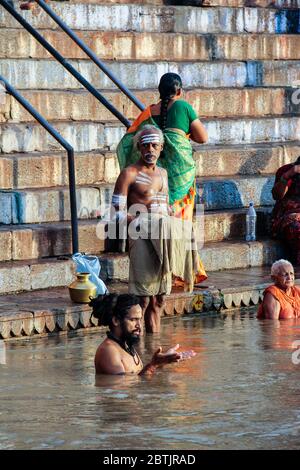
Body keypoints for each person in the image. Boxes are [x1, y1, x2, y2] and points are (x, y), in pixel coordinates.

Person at [110, 125, 205, 333]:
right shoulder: (129, 174)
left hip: (163, 237)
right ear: (139, 148)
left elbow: (166, 206)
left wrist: (173, 220)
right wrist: (137, 222)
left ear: (161, 147)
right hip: (141, 236)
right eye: (145, 145)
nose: (150, 150)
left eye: (154, 145)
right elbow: (117, 211)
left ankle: (154, 343)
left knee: (160, 299)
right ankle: (138, 343)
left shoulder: (163, 173)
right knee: (143, 300)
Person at [117, 72, 208, 222]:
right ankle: (180, 238)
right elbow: (203, 138)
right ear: (179, 91)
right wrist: (182, 137)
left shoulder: (149, 112)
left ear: (159, 91)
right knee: (178, 211)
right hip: (181, 172)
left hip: (154, 174)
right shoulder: (183, 106)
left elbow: (128, 140)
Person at [90, 293, 196, 375]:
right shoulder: (109, 351)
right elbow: (122, 391)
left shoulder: (126, 345)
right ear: (116, 321)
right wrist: (153, 365)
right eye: (133, 320)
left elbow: (138, 379)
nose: (139, 326)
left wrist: (164, 361)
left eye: (140, 320)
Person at [271, 156, 300, 265]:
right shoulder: (287, 170)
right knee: (296, 228)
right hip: (286, 219)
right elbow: (277, 196)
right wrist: (287, 175)